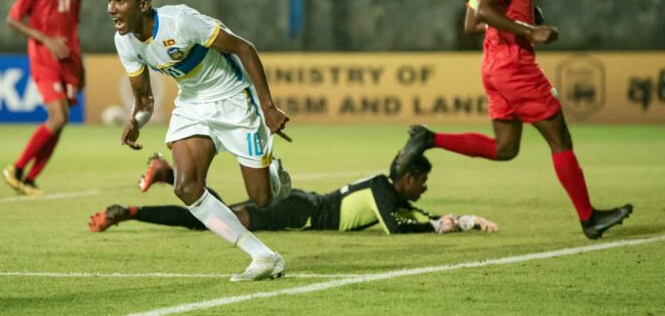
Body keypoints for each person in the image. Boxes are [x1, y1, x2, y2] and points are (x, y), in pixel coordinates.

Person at [400, 0, 632, 240]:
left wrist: (520, 17)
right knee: (560, 138)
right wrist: (529, 30)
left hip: (493, 65)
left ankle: (430, 138)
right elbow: (484, 14)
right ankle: (589, 217)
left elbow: (470, 22)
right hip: (515, 65)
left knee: (506, 148)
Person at [106, 0, 292, 282]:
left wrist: (268, 108)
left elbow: (244, 49)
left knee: (262, 199)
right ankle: (262, 255)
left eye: (119, 0)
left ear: (143, 5)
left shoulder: (181, 21)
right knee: (186, 187)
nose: (111, 8)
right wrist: (137, 121)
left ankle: (273, 173)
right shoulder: (124, 41)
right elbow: (145, 99)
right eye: (110, 1)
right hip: (192, 105)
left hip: (234, 100)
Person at [89, 152, 497, 235]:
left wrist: (463, 221)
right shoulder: (381, 191)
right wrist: (437, 229)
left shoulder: (388, 192)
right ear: (406, 178)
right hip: (295, 213)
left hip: (300, 205)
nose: (423, 189)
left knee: (213, 214)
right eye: (421, 182)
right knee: (210, 220)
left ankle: (161, 179)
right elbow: (397, 226)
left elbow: (415, 215)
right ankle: (139, 203)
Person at [2, 0, 84, 196]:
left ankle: (29, 178)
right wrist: (46, 39)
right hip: (44, 59)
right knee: (58, 116)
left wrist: (79, 67)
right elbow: (13, 19)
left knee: (62, 120)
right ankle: (16, 168)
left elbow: (73, 29)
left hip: (68, 60)